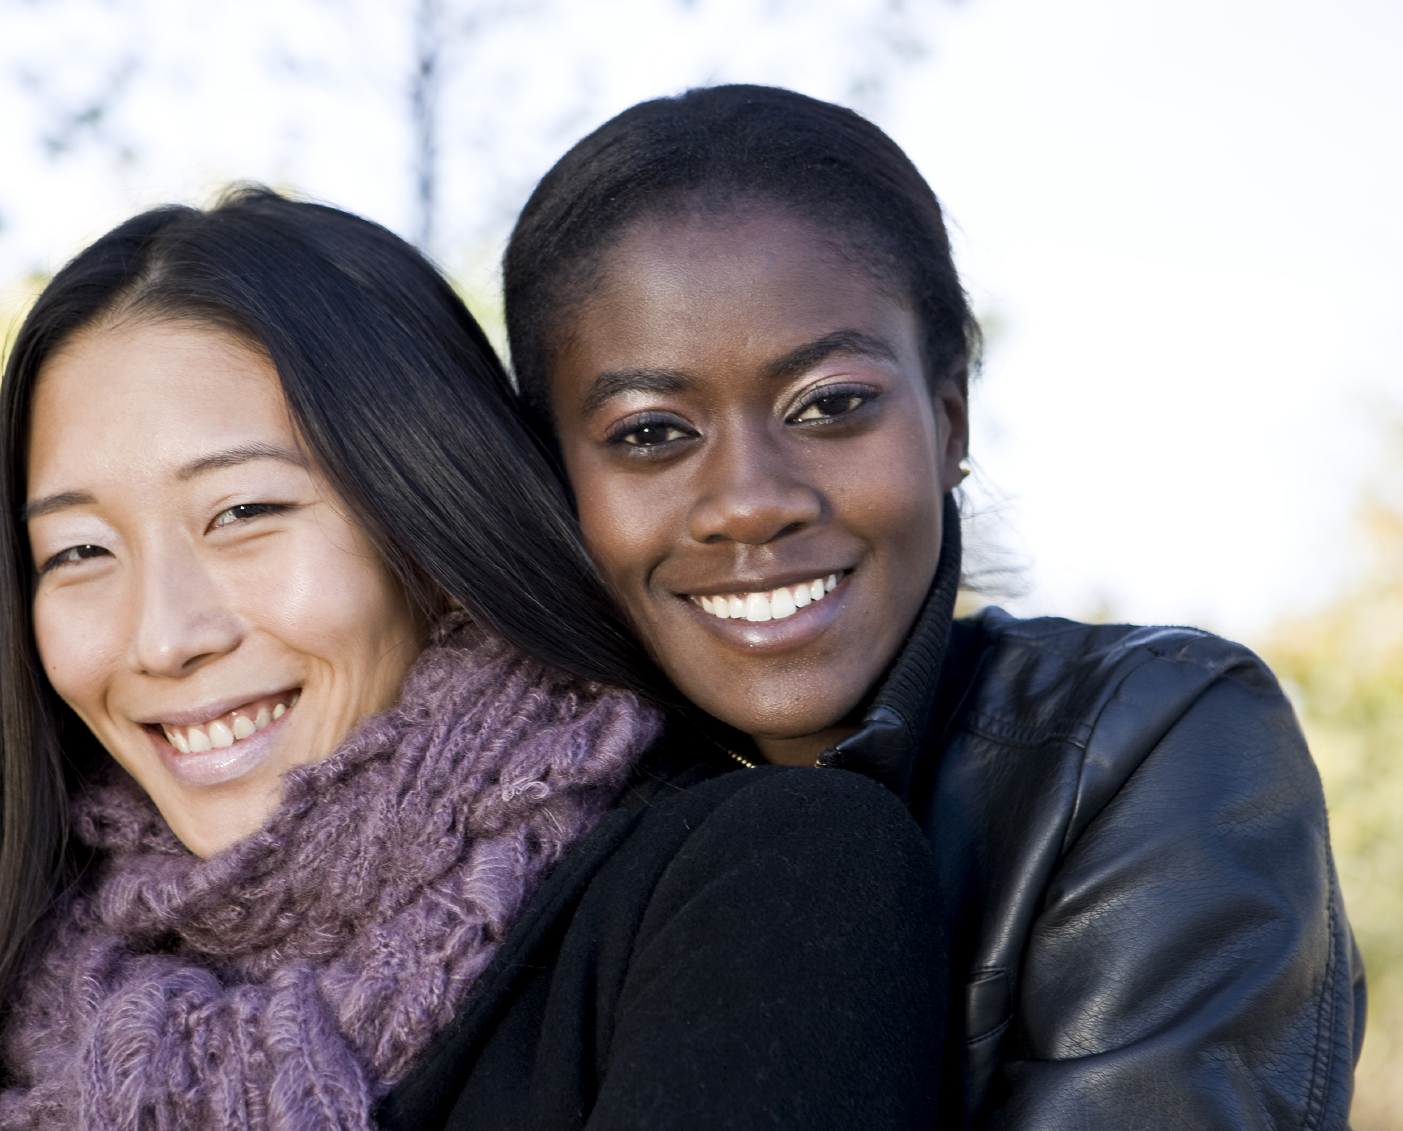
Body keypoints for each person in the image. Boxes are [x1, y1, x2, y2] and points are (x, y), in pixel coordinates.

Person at [0, 187, 946, 1131]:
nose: (164, 636)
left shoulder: (764, 888)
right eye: (78, 550)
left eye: (245, 511)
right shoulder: (19, 1002)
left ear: (435, 535)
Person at [503, 85, 1365, 1129]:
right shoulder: (500, 833)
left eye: (830, 405)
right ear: (553, 479)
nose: (750, 503)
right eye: (650, 432)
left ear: (949, 419)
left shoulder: (1142, 745)